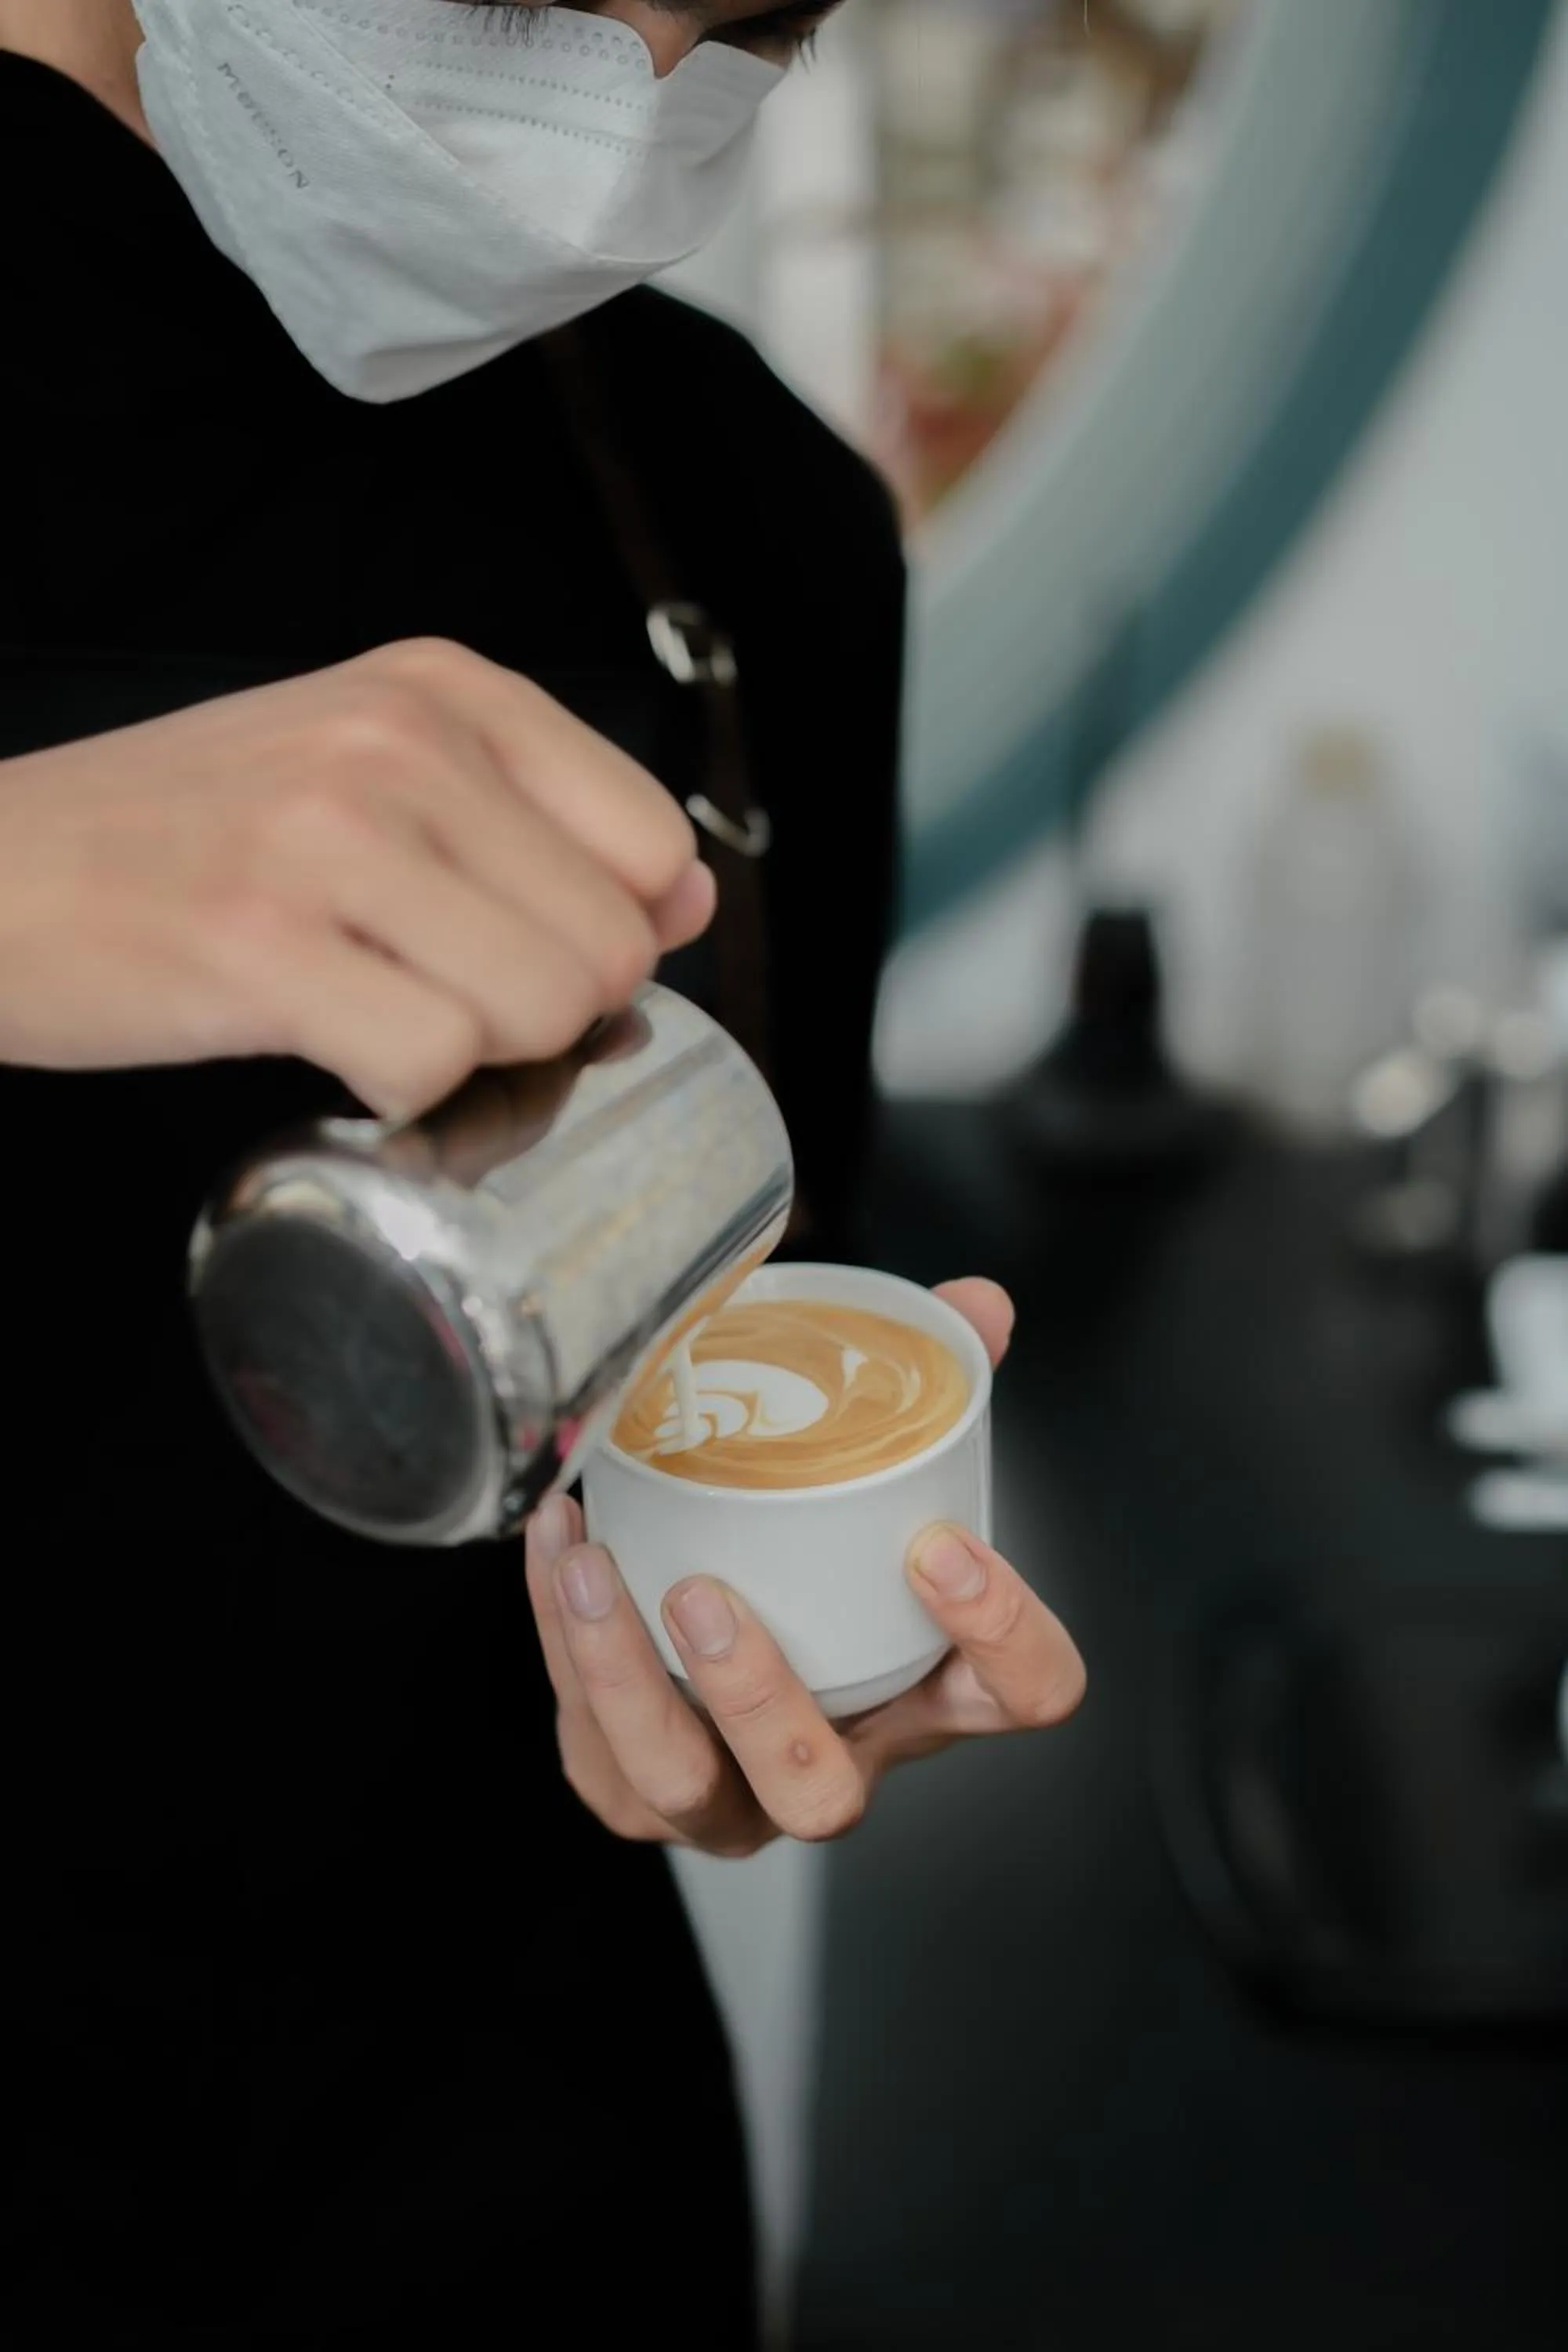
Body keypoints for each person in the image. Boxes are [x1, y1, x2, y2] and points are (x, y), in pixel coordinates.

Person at [0, 2, 1087, 2339]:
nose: (596, 118)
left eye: (742, 28)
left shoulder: (749, 519)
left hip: (500, 2167)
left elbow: (692, 1377)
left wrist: (739, 1678)